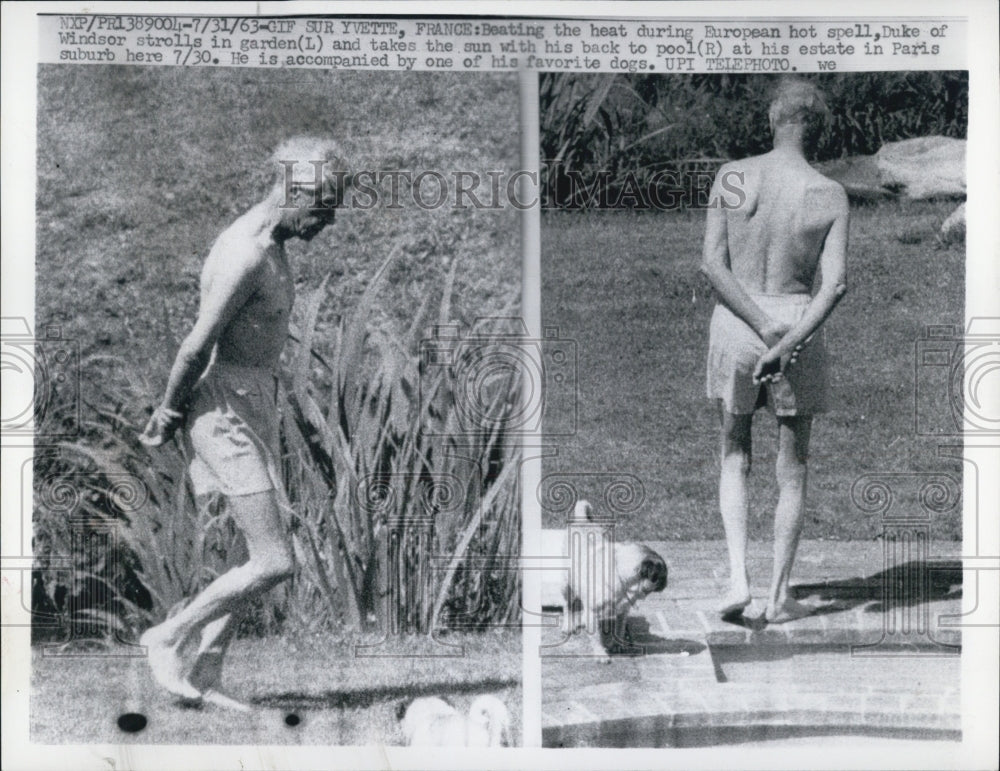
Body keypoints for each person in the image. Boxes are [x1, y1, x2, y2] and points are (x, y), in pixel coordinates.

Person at [138, 137, 349, 707]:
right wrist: (167, 413)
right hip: (222, 411)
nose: (327, 223)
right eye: (324, 209)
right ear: (296, 192)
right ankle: (165, 638)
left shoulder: (273, 242)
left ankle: (205, 677)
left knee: (247, 554)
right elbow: (194, 346)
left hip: (252, 402)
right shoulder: (246, 253)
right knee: (275, 560)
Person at [700, 78, 848, 623]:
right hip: (796, 326)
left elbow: (713, 265)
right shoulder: (828, 193)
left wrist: (761, 327)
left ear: (771, 119)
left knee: (734, 449)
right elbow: (833, 286)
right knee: (793, 466)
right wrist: (785, 338)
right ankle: (779, 595)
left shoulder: (734, 176)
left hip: (739, 322)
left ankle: (738, 578)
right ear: (819, 129)